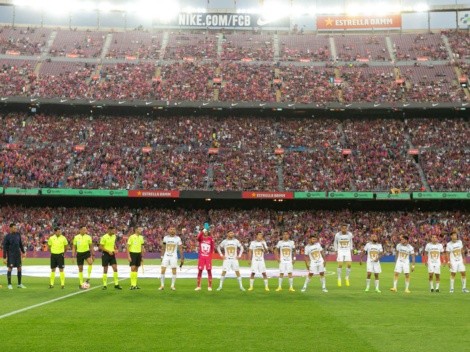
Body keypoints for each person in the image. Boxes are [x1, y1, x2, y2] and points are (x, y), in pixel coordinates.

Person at [2, 223, 26, 289]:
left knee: (19, 268)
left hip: (18, 254)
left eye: (16, 228)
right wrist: (4, 257)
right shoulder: (7, 236)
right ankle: (9, 284)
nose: (15, 229)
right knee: (10, 268)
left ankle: (19, 284)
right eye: (14, 228)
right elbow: (4, 247)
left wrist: (23, 252)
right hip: (11, 255)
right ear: (10, 228)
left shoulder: (18, 235)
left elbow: (20, 244)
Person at [99, 225, 122, 290]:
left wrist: (116, 248)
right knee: (105, 270)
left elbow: (113, 243)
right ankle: (104, 285)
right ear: (109, 230)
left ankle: (116, 284)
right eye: (113, 230)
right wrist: (108, 251)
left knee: (115, 268)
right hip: (105, 254)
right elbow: (100, 247)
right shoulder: (104, 237)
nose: (114, 232)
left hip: (112, 254)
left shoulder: (114, 236)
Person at [195, 227, 214, 291]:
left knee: (209, 271)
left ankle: (210, 286)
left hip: (208, 258)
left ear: (208, 232)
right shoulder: (201, 239)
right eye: (204, 232)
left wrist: (210, 256)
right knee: (200, 271)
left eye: (206, 231)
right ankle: (198, 286)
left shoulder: (210, 239)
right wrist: (202, 231)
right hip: (202, 258)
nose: (205, 232)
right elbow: (197, 238)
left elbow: (212, 248)